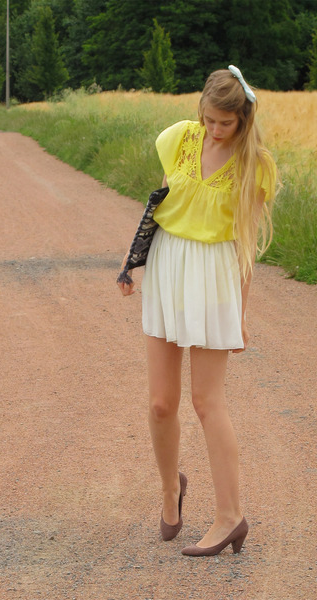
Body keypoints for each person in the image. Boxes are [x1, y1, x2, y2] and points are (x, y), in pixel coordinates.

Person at [117, 66, 277, 557]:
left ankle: (231, 516)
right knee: (160, 403)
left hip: (214, 275)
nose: (213, 130)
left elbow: (247, 247)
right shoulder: (180, 140)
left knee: (208, 402)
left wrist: (241, 315)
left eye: (224, 123)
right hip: (168, 266)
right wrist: (134, 262)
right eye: (208, 119)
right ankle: (171, 490)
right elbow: (164, 203)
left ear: (243, 119)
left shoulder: (256, 165)